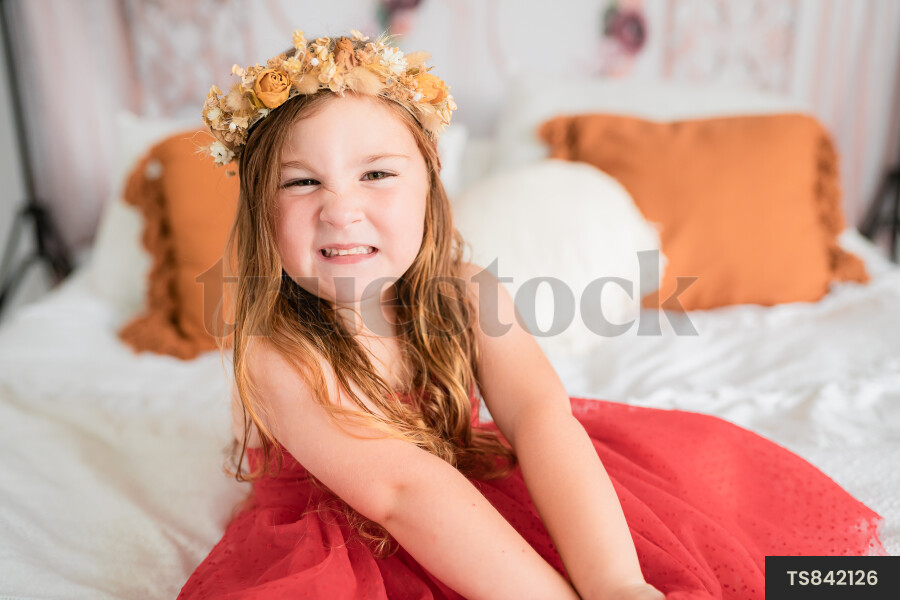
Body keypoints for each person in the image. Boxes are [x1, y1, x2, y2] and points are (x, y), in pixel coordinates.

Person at [179, 30, 885, 600]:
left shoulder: (465, 291)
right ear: (261, 214)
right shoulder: (277, 349)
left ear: (430, 188)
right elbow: (401, 492)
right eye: (302, 182)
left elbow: (541, 413)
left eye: (376, 173)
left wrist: (614, 584)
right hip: (372, 535)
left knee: (722, 548)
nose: (339, 207)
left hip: (476, 480)